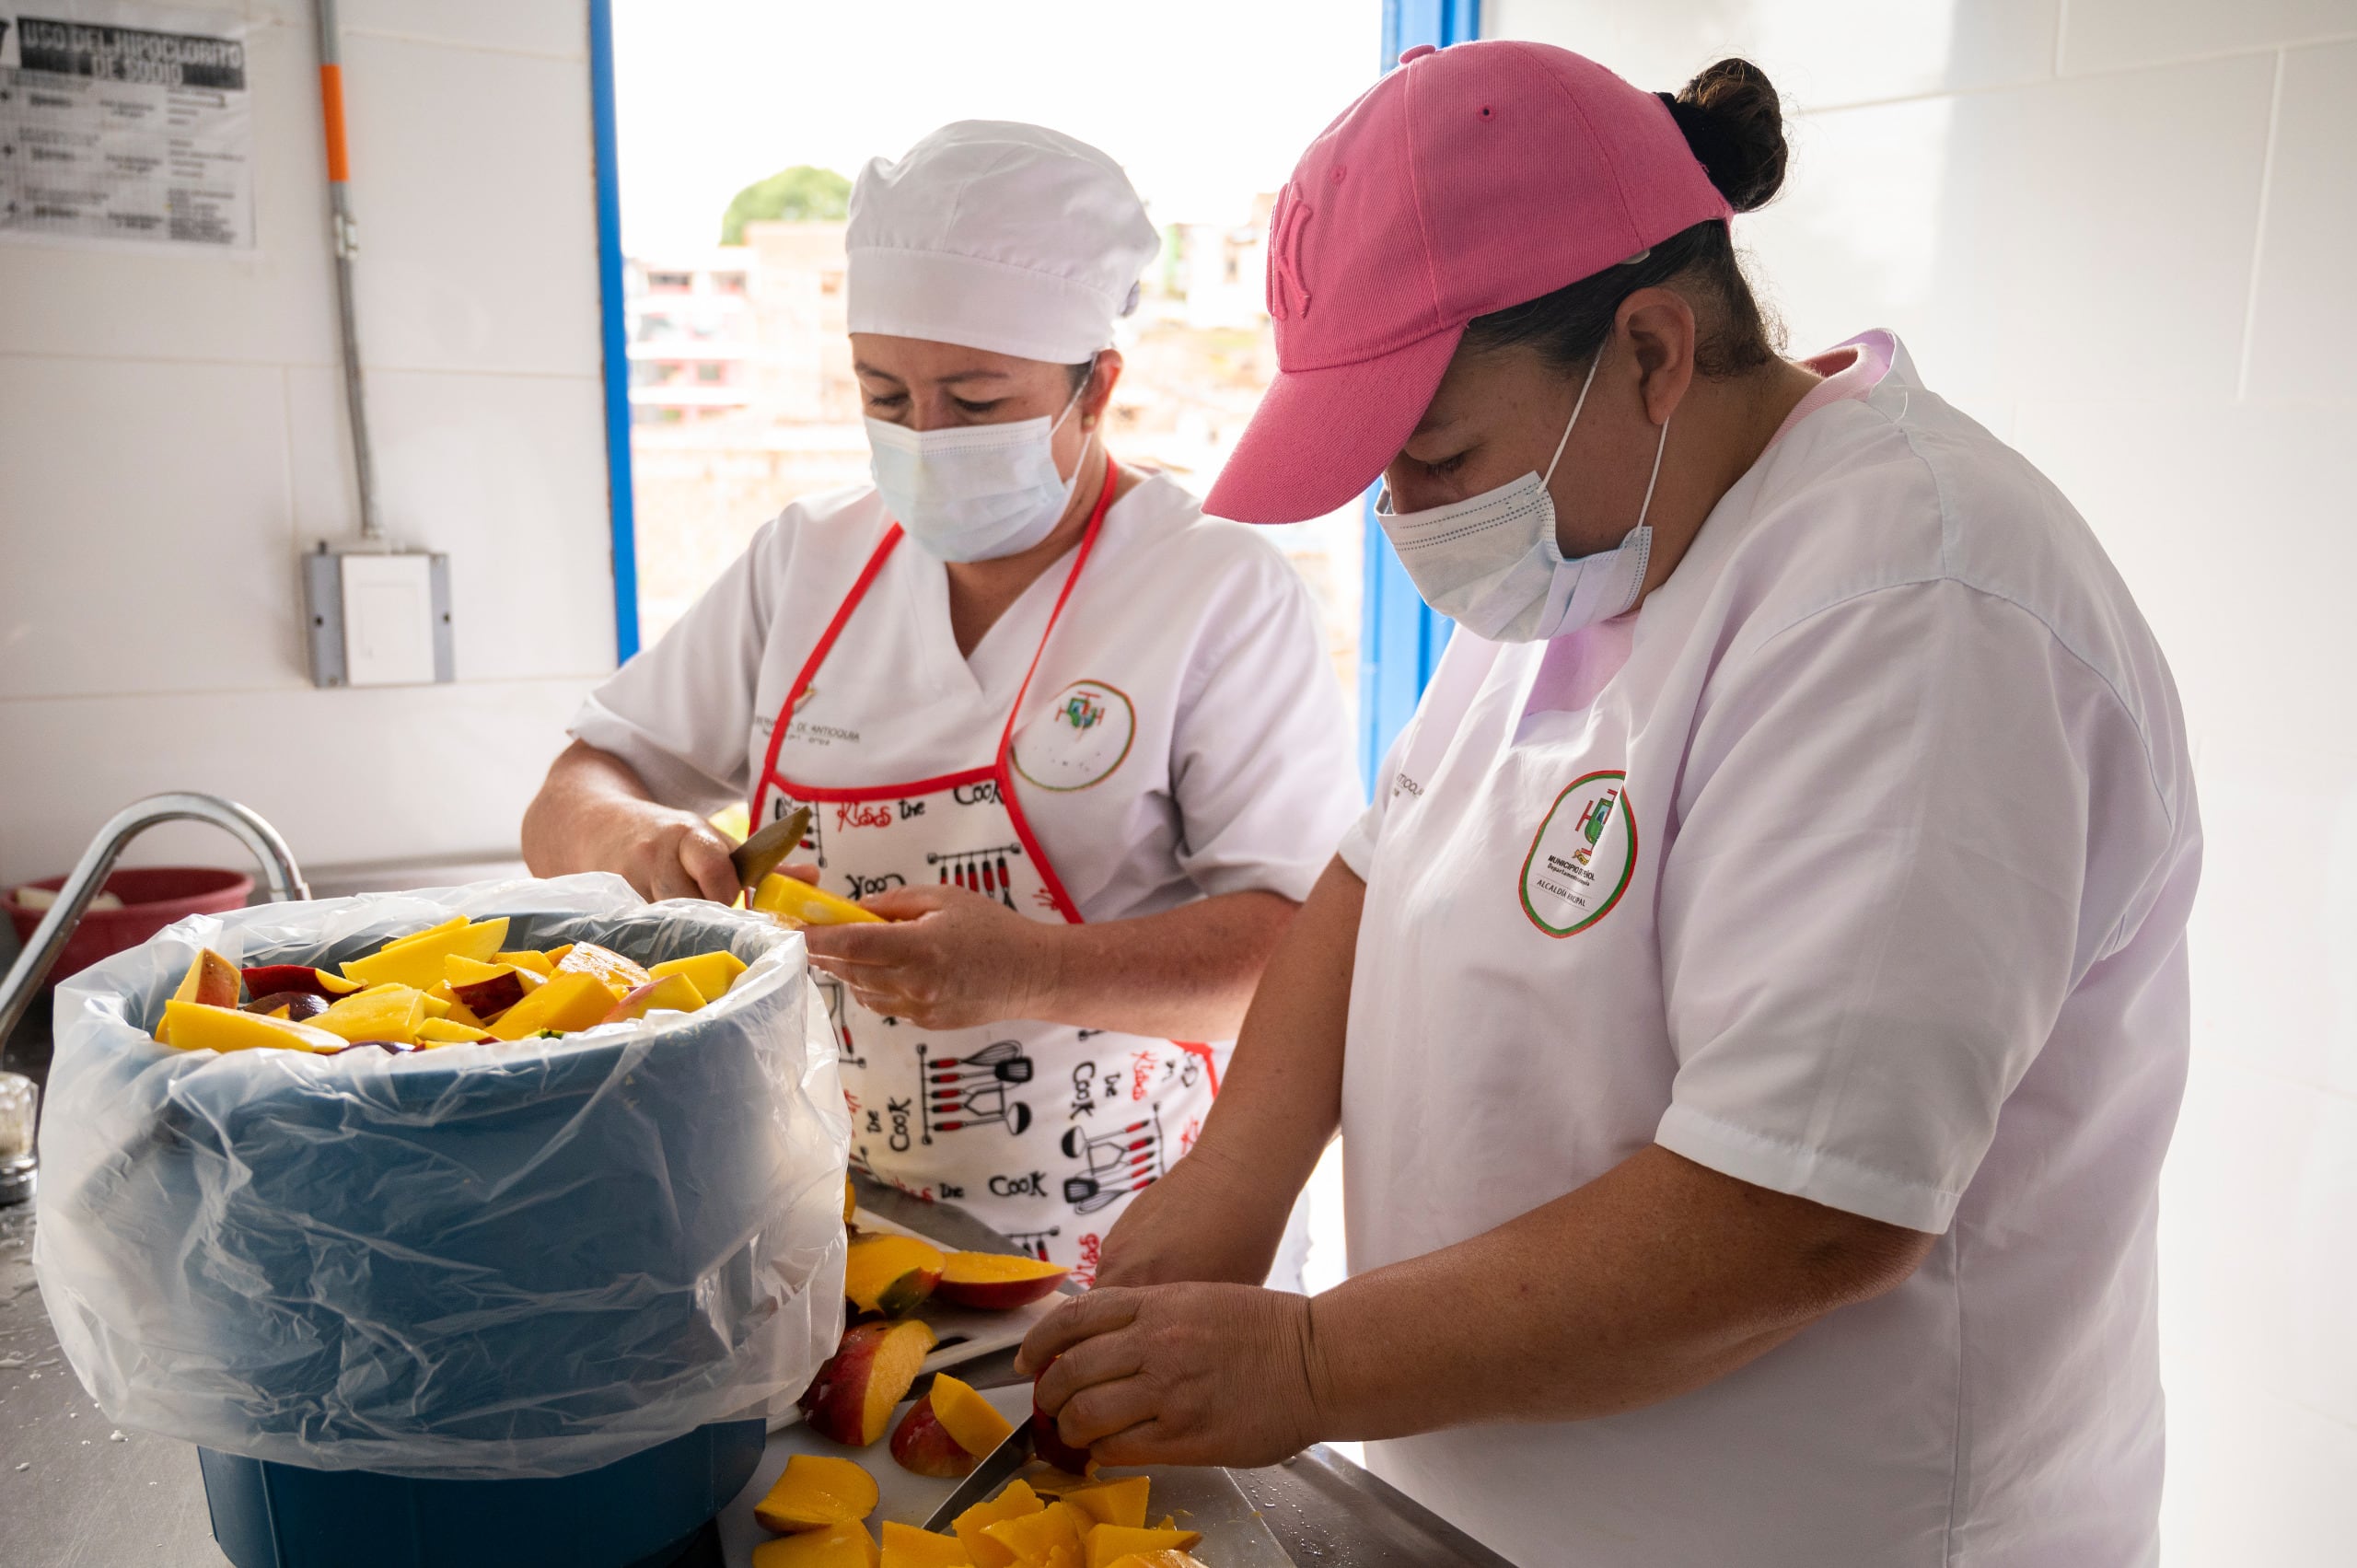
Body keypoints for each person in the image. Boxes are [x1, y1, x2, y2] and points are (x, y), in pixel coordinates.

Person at [1018, 42, 2200, 1566]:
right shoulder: (1605, 541)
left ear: (1651, 351)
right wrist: (1233, 1185)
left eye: (1435, 458)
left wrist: (1308, 1362)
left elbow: (1803, 1210)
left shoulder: (1916, 599)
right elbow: (1372, 884)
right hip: (1487, 1509)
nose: (1409, 526)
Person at [522, 122, 1360, 1272]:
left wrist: (1028, 969)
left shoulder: (1213, 586)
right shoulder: (805, 559)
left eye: (973, 402)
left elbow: (1298, 957)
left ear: (1095, 387)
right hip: (825, 1214)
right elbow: (573, 789)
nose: (924, 439)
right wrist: (645, 840)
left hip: (1130, 1236)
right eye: (885, 394)